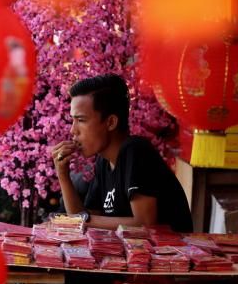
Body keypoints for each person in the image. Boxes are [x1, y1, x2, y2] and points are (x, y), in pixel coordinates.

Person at [50, 74, 193, 233]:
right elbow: (85, 218)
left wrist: (82, 219)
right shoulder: (103, 162)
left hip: (171, 255)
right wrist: (63, 175)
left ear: (110, 122)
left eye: (81, 120)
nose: (72, 130)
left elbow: (145, 224)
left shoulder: (136, 151)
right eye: (73, 120)